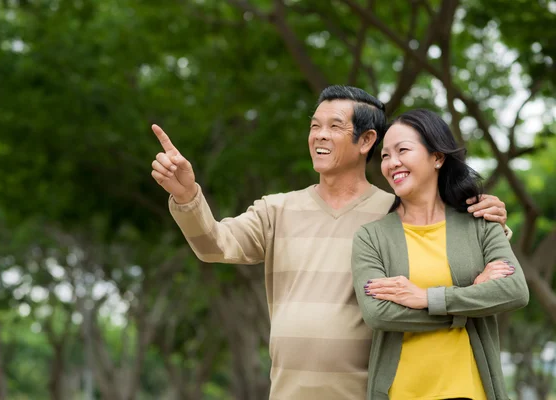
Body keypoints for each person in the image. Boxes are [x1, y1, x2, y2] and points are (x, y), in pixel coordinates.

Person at [151, 86, 509, 400]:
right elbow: (215, 245)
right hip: (288, 392)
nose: (319, 136)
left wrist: (494, 226)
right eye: (314, 126)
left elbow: (460, 250)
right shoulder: (277, 209)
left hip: (372, 391)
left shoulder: (396, 212)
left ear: (367, 141)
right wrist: (186, 196)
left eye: (334, 127)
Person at [351, 109, 529, 400]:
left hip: (471, 391)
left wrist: (427, 298)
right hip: (401, 392)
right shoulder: (371, 237)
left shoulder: (481, 222)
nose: (392, 162)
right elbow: (379, 314)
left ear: (437, 157)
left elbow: (514, 291)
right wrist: (470, 301)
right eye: (384, 155)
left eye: (403, 150)